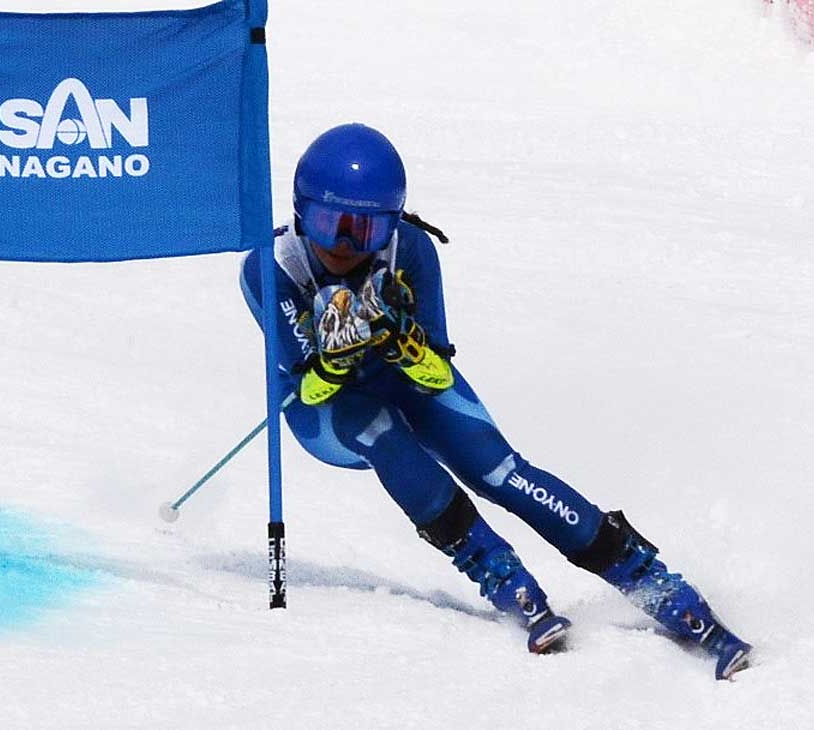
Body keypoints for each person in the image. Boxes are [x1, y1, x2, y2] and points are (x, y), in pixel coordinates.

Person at [239, 123, 752, 679]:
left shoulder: (409, 248)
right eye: (328, 223)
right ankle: (495, 568)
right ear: (299, 211)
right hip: (326, 410)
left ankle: (649, 579)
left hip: (405, 379)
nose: (344, 244)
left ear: (390, 223)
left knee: (498, 468)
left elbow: (435, 374)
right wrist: (335, 359)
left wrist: (401, 339)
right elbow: (307, 386)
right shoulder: (269, 267)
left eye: (364, 229)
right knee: (381, 429)